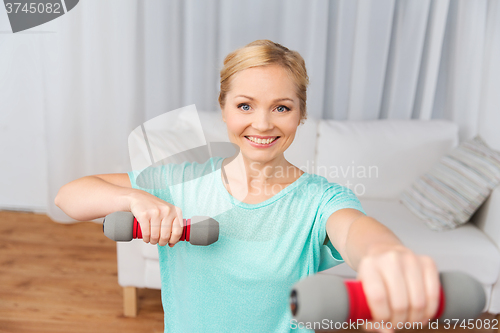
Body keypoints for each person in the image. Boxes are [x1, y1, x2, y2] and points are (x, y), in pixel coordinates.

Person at [55, 40, 440, 333]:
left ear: (300, 114)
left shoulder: (321, 200)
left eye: (281, 107)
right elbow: (69, 197)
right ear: (222, 108)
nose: (262, 124)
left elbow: (356, 230)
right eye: (245, 106)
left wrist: (387, 255)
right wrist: (135, 198)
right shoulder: (182, 183)